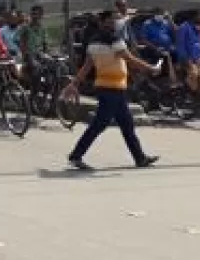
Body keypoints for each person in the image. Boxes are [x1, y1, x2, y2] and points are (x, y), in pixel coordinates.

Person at [61, 10, 160, 171]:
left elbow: (86, 67)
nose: (113, 23)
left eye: (113, 20)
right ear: (102, 23)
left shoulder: (93, 42)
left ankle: (140, 158)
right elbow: (129, 59)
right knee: (99, 124)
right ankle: (76, 156)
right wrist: (151, 68)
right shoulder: (114, 41)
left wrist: (74, 83)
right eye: (110, 21)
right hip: (111, 89)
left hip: (112, 88)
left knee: (127, 124)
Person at [139, 7, 177, 83]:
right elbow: (144, 40)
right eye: (158, 14)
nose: (160, 16)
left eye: (161, 14)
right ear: (154, 15)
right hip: (153, 48)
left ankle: (176, 75)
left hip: (168, 47)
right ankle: (166, 78)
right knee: (164, 55)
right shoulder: (147, 24)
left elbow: (175, 33)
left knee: (179, 53)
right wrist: (156, 48)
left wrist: (170, 20)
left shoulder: (166, 23)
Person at [18, 5, 49, 85]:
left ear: (41, 15)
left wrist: (46, 54)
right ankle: (34, 90)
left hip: (39, 54)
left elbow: (45, 43)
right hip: (28, 55)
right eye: (33, 14)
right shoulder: (25, 27)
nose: (35, 16)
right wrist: (24, 52)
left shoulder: (42, 28)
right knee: (36, 67)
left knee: (54, 65)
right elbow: (17, 40)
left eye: (37, 14)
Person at [176, 10, 200, 93]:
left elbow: (199, 42)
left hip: (198, 57)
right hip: (188, 58)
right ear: (193, 17)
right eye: (199, 16)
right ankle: (190, 93)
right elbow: (181, 45)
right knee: (194, 74)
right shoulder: (183, 27)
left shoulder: (196, 27)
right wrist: (187, 60)